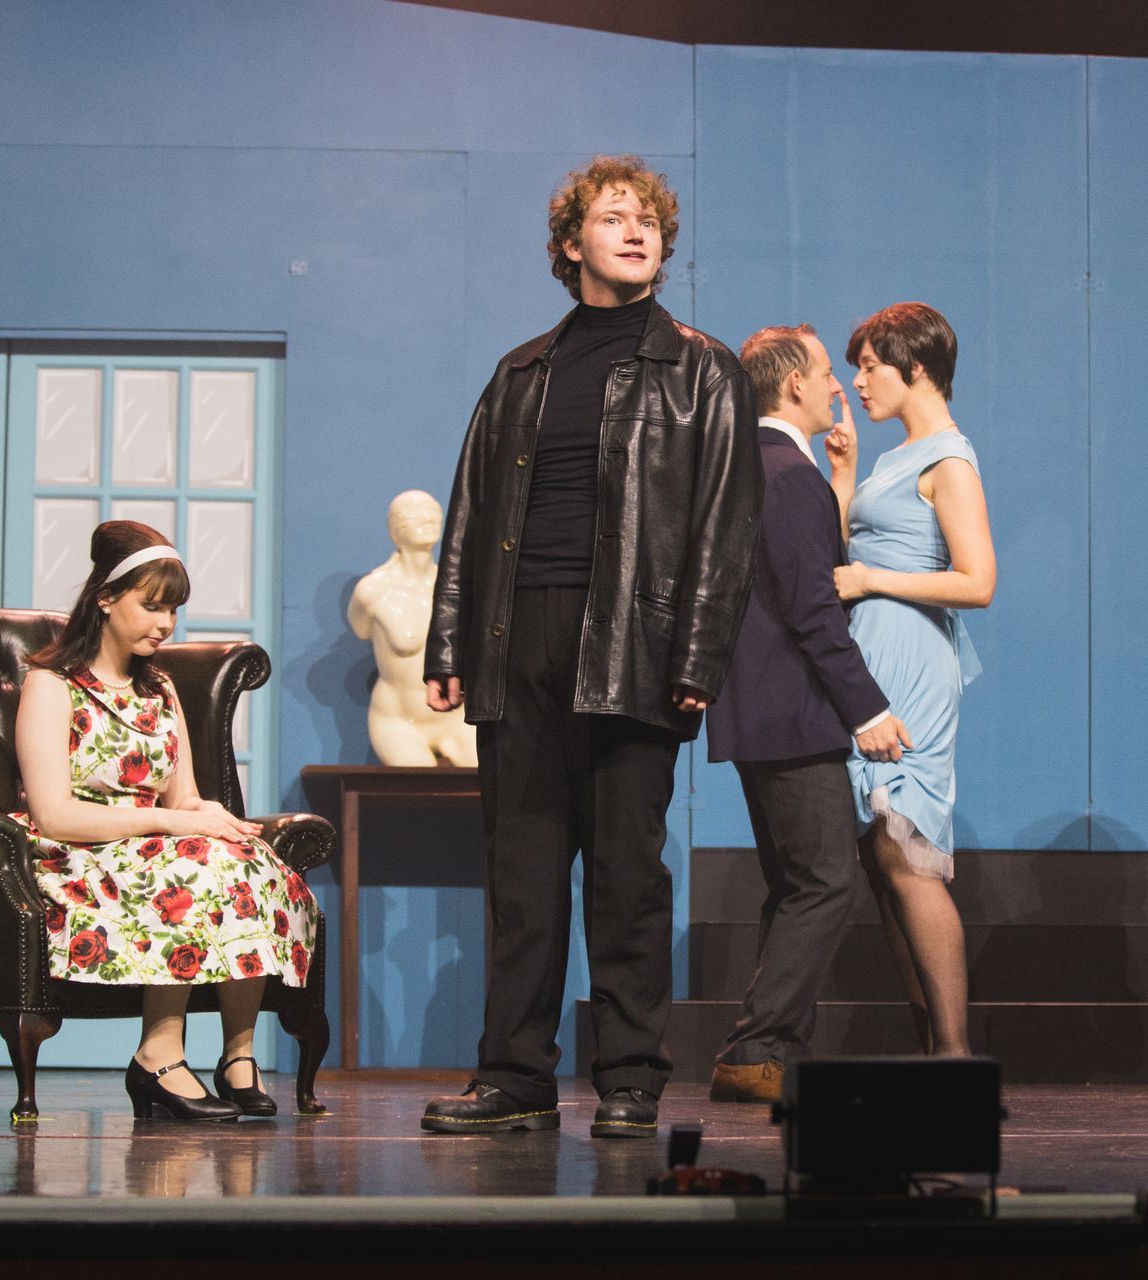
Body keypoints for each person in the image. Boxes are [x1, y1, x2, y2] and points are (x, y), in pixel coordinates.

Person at [419, 155, 761, 1138]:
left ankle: (630, 1077)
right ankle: (515, 1074)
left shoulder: (703, 369)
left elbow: (726, 528)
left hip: (633, 646)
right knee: (522, 881)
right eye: (615, 217)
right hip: (517, 640)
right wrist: (450, 640)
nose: (637, 230)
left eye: (648, 219)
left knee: (625, 878)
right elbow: (470, 514)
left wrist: (697, 658)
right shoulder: (521, 371)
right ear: (572, 243)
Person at [14, 520, 319, 1122]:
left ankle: (237, 1057)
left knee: (244, 858)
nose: (165, 624)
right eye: (151, 606)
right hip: (78, 851)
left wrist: (211, 817)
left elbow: (184, 797)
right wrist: (174, 825)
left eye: (173, 610)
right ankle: (159, 1055)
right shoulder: (51, 685)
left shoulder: (160, 689)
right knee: (190, 864)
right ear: (106, 598)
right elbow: (53, 813)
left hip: (150, 842)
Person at [705, 324, 913, 1102]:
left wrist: (843, 478)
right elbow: (813, 608)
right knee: (825, 881)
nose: (837, 386)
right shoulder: (788, 476)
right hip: (792, 710)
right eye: (827, 372)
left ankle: (771, 1051)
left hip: (756, 710)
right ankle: (756, 1047)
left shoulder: (750, 467)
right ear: (793, 383)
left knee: (797, 884)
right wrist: (868, 710)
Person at [828, 302, 996, 1058]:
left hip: (913, 660)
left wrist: (874, 579)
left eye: (870, 366)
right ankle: (933, 1050)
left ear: (916, 367)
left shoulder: (948, 460)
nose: (859, 382)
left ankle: (954, 1056)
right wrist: (843, 476)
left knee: (907, 852)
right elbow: (847, 560)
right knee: (882, 859)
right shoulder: (898, 455)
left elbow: (977, 581)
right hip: (875, 650)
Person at [348, 489, 476, 767]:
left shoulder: (457, 589)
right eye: (414, 514)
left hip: (457, 719)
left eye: (433, 512)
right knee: (414, 772)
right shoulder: (373, 591)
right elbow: (361, 629)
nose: (427, 519)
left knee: (487, 775)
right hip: (398, 721)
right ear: (394, 527)